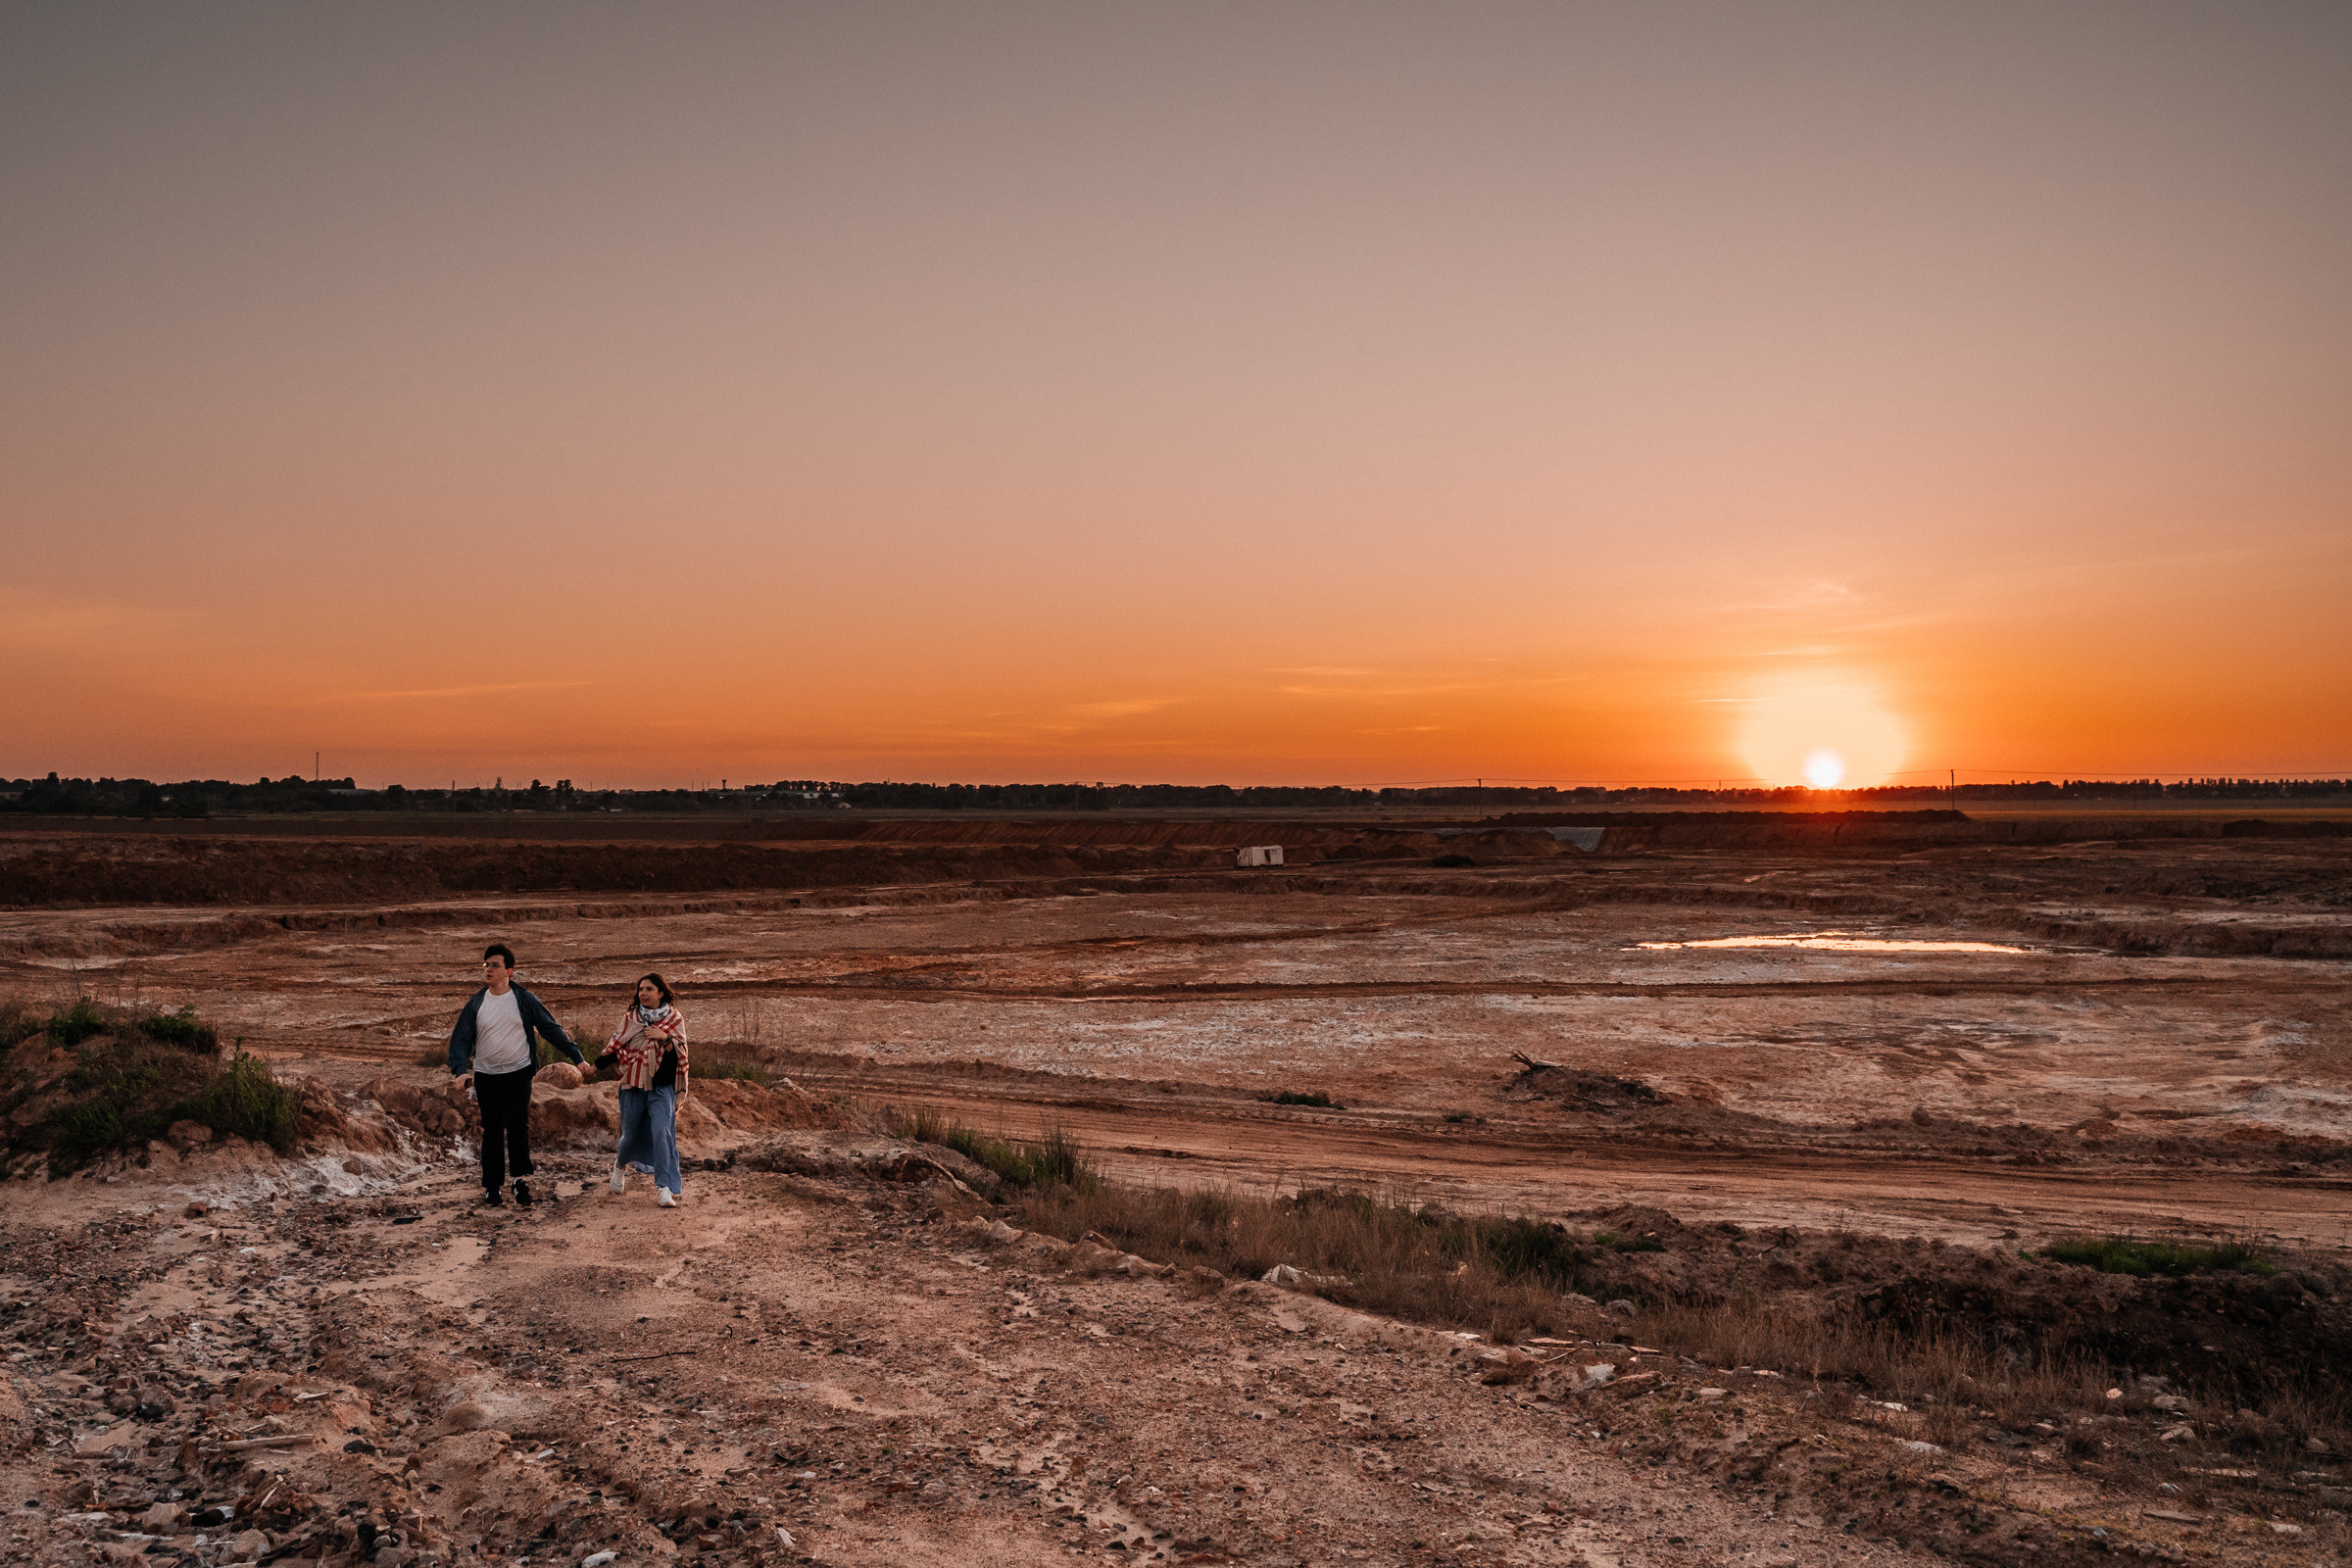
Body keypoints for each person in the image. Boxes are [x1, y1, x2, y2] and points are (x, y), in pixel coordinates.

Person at [447, 943, 585, 1207]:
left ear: (509, 970)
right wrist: (460, 1070)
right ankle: (492, 1187)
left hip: (519, 1073)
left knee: (518, 1126)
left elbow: (550, 1028)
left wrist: (577, 1058)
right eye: (486, 965)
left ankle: (519, 1180)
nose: (488, 969)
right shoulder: (476, 1003)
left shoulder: (524, 999)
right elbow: (460, 1039)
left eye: (494, 965)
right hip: (487, 1076)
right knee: (492, 1131)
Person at [597, 972, 690, 1207]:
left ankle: (664, 1188)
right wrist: (592, 1068)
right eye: (640, 990)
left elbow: (682, 1052)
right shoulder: (631, 1018)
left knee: (662, 1134)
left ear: (661, 993)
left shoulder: (675, 1019)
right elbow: (614, 1045)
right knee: (629, 1136)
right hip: (633, 1085)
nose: (643, 994)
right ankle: (620, 1166)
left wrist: (665, 1037)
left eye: (649, 989)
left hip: (662, 1087)